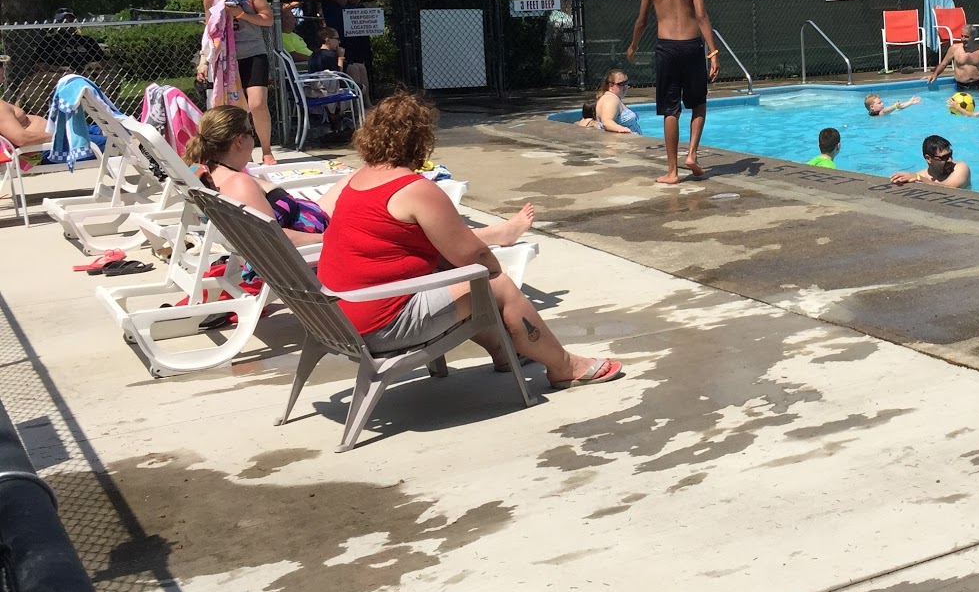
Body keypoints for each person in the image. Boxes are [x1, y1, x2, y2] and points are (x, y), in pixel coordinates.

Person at [317, 91, 621, 388]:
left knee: (456, 277)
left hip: (336, 318)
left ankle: (504, 351)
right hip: (378, 324)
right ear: (420, 140)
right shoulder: (413, 189)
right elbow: (473, 256)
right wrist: (495, 271)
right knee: (494, 284)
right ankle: (564, 366)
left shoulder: (357, 180)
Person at [626, 0, 719, 184]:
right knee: (698, 103)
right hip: (691, 46)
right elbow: (701, 17)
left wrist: (633, 46)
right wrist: (712, 52)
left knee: (670, 109)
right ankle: (691, 155)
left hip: (666, 49)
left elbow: (642, 20)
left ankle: (672, 171)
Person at [184, 106, 330, 247]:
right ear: (239, 142)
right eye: (251, 132)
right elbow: (273, 238)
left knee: (352, 179)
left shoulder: (207, 170)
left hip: (308, 216)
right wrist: (327, 238)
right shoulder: (239, 183)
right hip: (313, 233)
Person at [197, 0, 276, 165]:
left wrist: (241, 14)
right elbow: (209, 32)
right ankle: (243, 152)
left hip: (253, 51)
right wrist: (203, 61)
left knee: (257, 103)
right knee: (234, 109)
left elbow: (268, 19)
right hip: (225, 59)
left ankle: (267, 150)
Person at [308, 0, 385, 80]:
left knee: (363, 63)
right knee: (346, 63)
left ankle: (366, 90)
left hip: (358, 31)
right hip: (339, 34)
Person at [0, 56, 48, 147]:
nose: (3, 68)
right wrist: (60, 137)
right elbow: (21, 139)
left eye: (2, 65)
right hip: (37, 151)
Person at [890, 134, 971, 188]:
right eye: (944, 157)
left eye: (950, 154)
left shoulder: (960, 167)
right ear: (928, 158)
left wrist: (919, 178)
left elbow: (951, 189)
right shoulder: (921, 175)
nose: (950, 159)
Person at [927, 25, 979, 90]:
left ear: (973, 38)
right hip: (960, 86)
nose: (963, 39)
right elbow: (943, 64)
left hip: (977, 85)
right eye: (962, 36)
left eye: (966, 37)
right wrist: (935, 74)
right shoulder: (954, 49)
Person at [594, 69, 640, 134]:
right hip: (623, 142)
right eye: (621, 84)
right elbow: (607, 121)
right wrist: (623, 129)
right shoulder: (610, 99)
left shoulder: (614, 98)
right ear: (611, 86)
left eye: (626, 83)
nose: (625, 87)